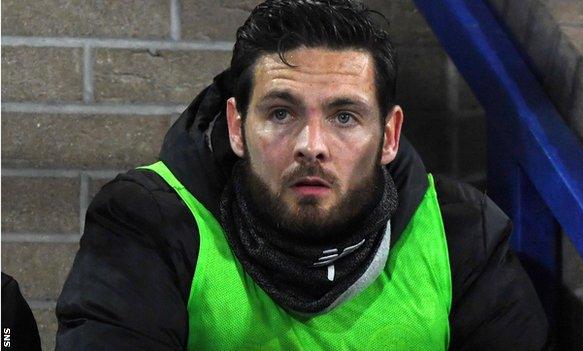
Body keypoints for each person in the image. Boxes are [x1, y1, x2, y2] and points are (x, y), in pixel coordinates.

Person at [56, 0, 549, 349]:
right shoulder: (148, 218)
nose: (311, 146)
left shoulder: (462, 232)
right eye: (280, 113)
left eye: (344, 117)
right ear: (235, 126)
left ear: (390, 136)